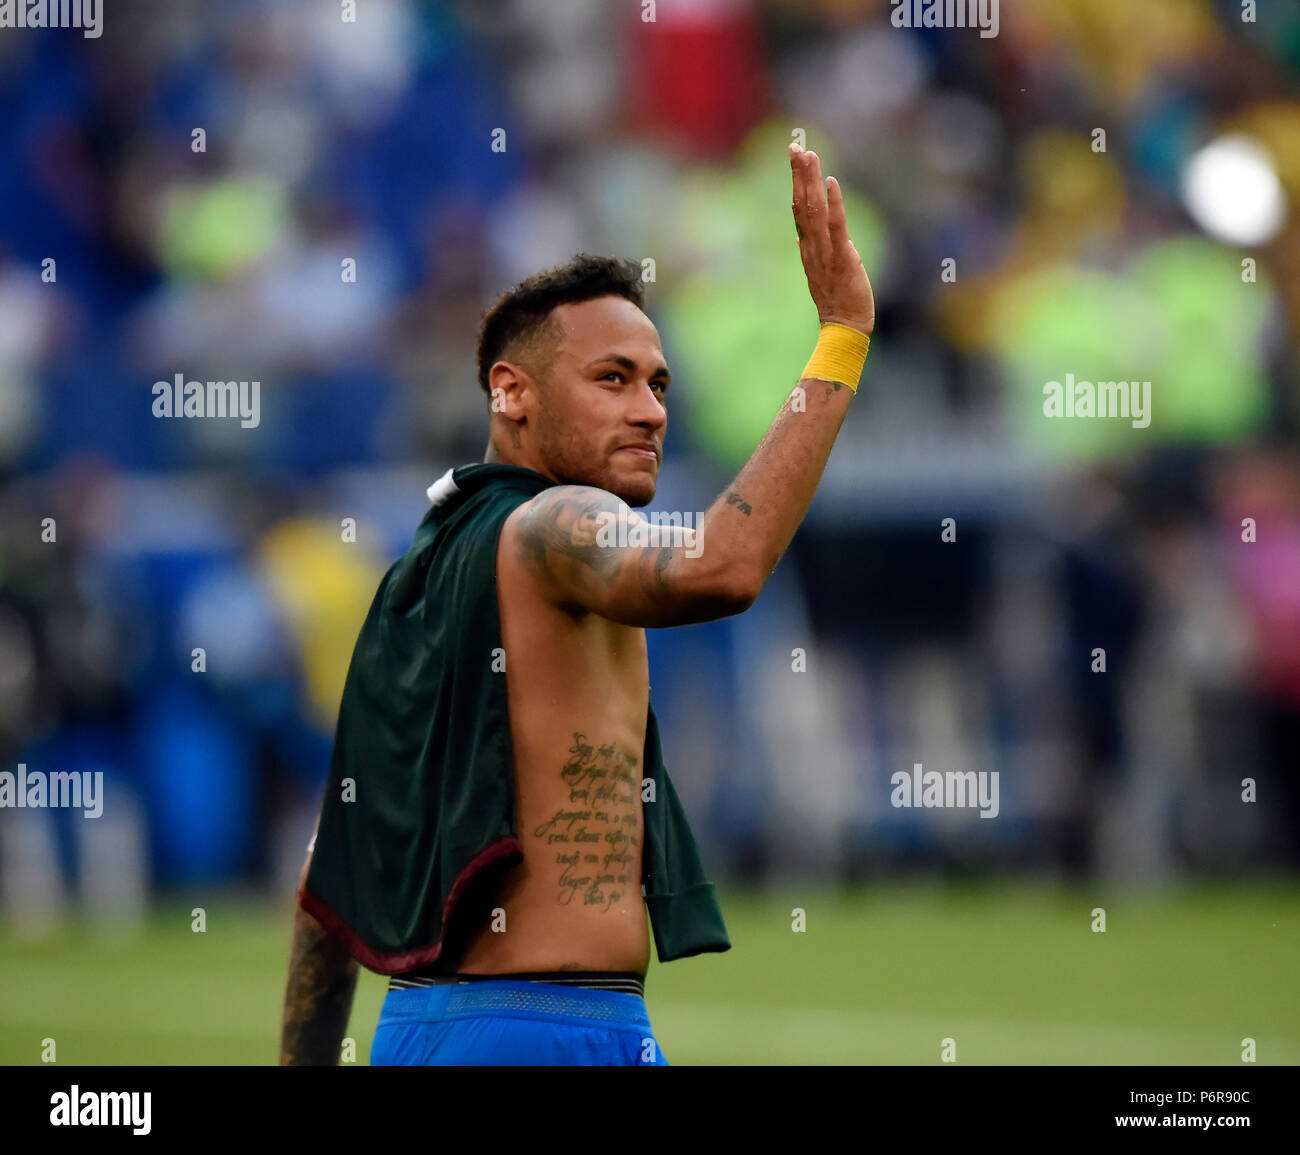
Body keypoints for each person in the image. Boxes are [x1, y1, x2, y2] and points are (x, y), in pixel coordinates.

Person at [278, 144, 875, 1066]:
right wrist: (840, 334)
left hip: (429, 1031)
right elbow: (723, 563)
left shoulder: (417, 579)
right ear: (509, 392)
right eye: (612, 379)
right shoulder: (557, 521)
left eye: (658, 383)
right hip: (544, 1029)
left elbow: (334, 866)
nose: (651, 410)